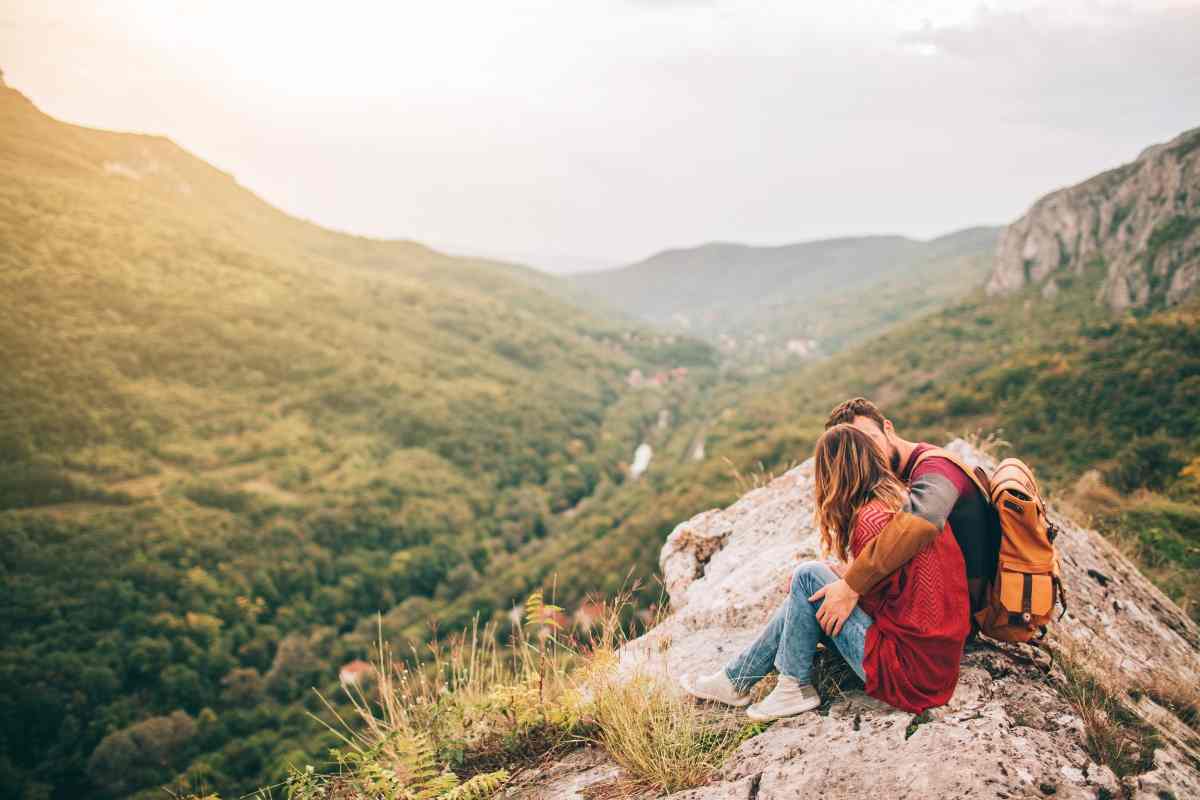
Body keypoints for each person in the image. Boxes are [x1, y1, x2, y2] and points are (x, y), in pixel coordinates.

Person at [680, 424, 971, 719]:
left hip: (908, 677)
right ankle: (735, 680)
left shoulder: (870, 518)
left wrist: (823, 590)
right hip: (937, 665)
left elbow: (873, 603)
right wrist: (834, 581)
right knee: (813, 584)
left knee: (808, 578)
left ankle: (791, 687)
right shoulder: (903, 502)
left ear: (833, 474)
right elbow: (899, 588)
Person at [804, 398, 998, 636]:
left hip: (956, 614)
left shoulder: (936, 467)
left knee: (811, 586)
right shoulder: (898, 477)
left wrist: (852, 584)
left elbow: (920, 524)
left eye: (871, 440)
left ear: (888, 428)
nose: (870, 453)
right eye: (860, 447)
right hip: (933, 604)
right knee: (813, 582)